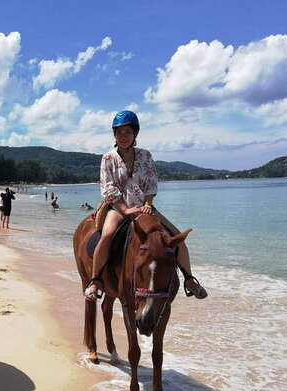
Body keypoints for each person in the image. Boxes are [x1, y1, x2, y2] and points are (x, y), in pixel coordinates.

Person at [84, 110, 207, 300]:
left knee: (176, 236)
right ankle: (96, 280)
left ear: (135, 134)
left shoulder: (145, 156)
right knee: (107, 235)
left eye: (127, 132)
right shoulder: (108, 158)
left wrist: (148, 204)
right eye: (119, 132)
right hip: (118, 208)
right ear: (114, 135)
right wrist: (125, 209)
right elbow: (108, 188)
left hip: (144, 206)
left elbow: (151, 182)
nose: (123, 136)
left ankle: (189, 278)